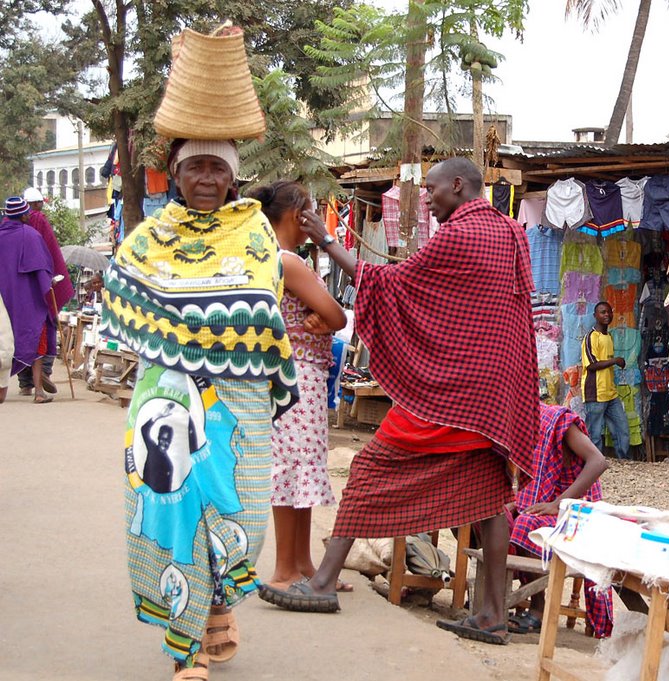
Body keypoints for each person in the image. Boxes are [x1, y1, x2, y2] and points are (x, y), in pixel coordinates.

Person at [261, 157, 539, 647]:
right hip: (495, 394)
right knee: (491, 500)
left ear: (458, 185)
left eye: (432, 190)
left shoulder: (460, 233)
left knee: (368, 470)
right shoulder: (510, 231)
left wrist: (327, 242)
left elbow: (395, 285)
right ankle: (491, 615)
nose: (427, 199)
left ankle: (322, 582)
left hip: (454, 392)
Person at [101, 138, 299, 679]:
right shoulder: (150, 236)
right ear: (176, 173)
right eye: (194, 167)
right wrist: (187, 325)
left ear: (232, 177)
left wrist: (191, 318)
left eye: (217, 167)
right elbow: (121, 286)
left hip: (238, 395)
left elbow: (260, 298)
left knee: (244, 513)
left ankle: (217, 602)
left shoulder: (254, 228)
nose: (206, 178)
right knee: (171, 507)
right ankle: (184, 649)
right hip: (165, 392)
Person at [247, 181, 347, 592]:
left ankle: (302, 562)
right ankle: (285, 568)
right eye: (311, 210)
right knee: (291, 468)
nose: (317, 219)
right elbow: (338, 316)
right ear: (295, 215)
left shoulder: (275, 257)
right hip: (297, 374)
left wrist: (322, 318)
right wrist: (325, 317)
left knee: (301, 468)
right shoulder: (289, 261)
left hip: (294, 371)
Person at [508, 402, 613, 638]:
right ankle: (497, 600)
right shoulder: (522, 426)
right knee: (500, 518)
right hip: (553, 504)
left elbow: (598, 462)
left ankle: (537, 606)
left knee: (525, 525)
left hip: (579, 508)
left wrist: (558, 504)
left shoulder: (557, 422)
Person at [17, 187, 73, 396]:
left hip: (21, 290)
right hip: (41, 284)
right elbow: (48, 254)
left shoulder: (10, 228)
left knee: (21, 333)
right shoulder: (39, 222)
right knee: (45, 328)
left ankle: (25, 383)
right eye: (38, 204)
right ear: (34, 205)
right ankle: (43, 374)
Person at [0, 197, 55, 403]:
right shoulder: (31, 235)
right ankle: (39, 392)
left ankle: (14, 386)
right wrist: (48, 286)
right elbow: (42, 269)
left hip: (2, 302)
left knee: (3, 343)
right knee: (36, 343)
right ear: (23, 215)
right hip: (28, 301)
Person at [581, 301, 631, 459]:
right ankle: (595, 463)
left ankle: (623, 460)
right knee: (594, 432)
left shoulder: (608, 336)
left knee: (621, 428)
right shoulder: (590, 337)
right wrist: (615, 360)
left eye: (609, 312)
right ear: (595, 315)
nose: (606, 315)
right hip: (595, 392)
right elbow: (591, 365)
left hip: (610, 392)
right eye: (602, 312)